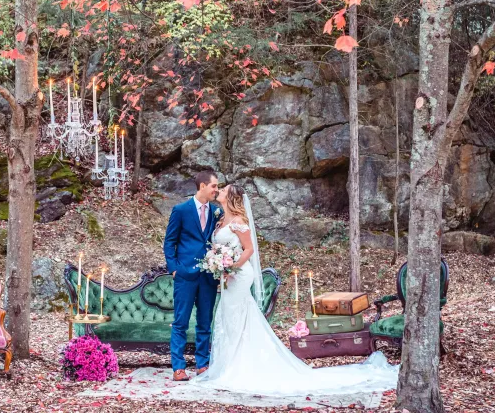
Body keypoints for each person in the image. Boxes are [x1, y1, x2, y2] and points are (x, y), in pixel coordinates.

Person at [191, 183, 399, 397]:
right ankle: (228, 364)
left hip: (241, 274)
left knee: (235, 315)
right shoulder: (220, 219)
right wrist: (220, 265)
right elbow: (221, 248)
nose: (220, 191)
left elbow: (249, 249)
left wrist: (232, 266)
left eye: (224, 190)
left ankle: (236, 365)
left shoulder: (238, 221)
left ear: (231, 197)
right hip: (228, 276)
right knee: (228, 315)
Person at [162, 170, 220, 381]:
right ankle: (178, 367)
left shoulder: (216, 212)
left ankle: (202, 364)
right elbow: (170, 242)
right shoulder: (181, 210)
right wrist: (175, 268)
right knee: (181, 322)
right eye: (214, 186)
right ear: (202, 186)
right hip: (185, 274)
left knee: (205, 322)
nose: (217, 190)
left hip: (208, 275)